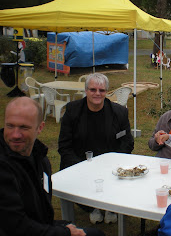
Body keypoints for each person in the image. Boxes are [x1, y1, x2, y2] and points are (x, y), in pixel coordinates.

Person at [0, 97, 105, 236]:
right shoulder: (3, 167)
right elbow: (16, 226)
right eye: (10, 126)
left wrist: (61, 227)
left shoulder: (40, 159)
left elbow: (41, 213)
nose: (15, 134)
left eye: (23, 127)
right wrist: (65, 232)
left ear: (40, 128)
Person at [58, 73, 134, 224]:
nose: (97, 94)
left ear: (107, 92)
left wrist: (115, 163)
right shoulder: (73, 111)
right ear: (86, 90)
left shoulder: (119, 112)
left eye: (102, 90)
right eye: (93, 90)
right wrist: (81, 166)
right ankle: (92, 207)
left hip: (111, 165)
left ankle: (111, 208)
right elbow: (64, 145)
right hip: (80, 162)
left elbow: (127, 142)